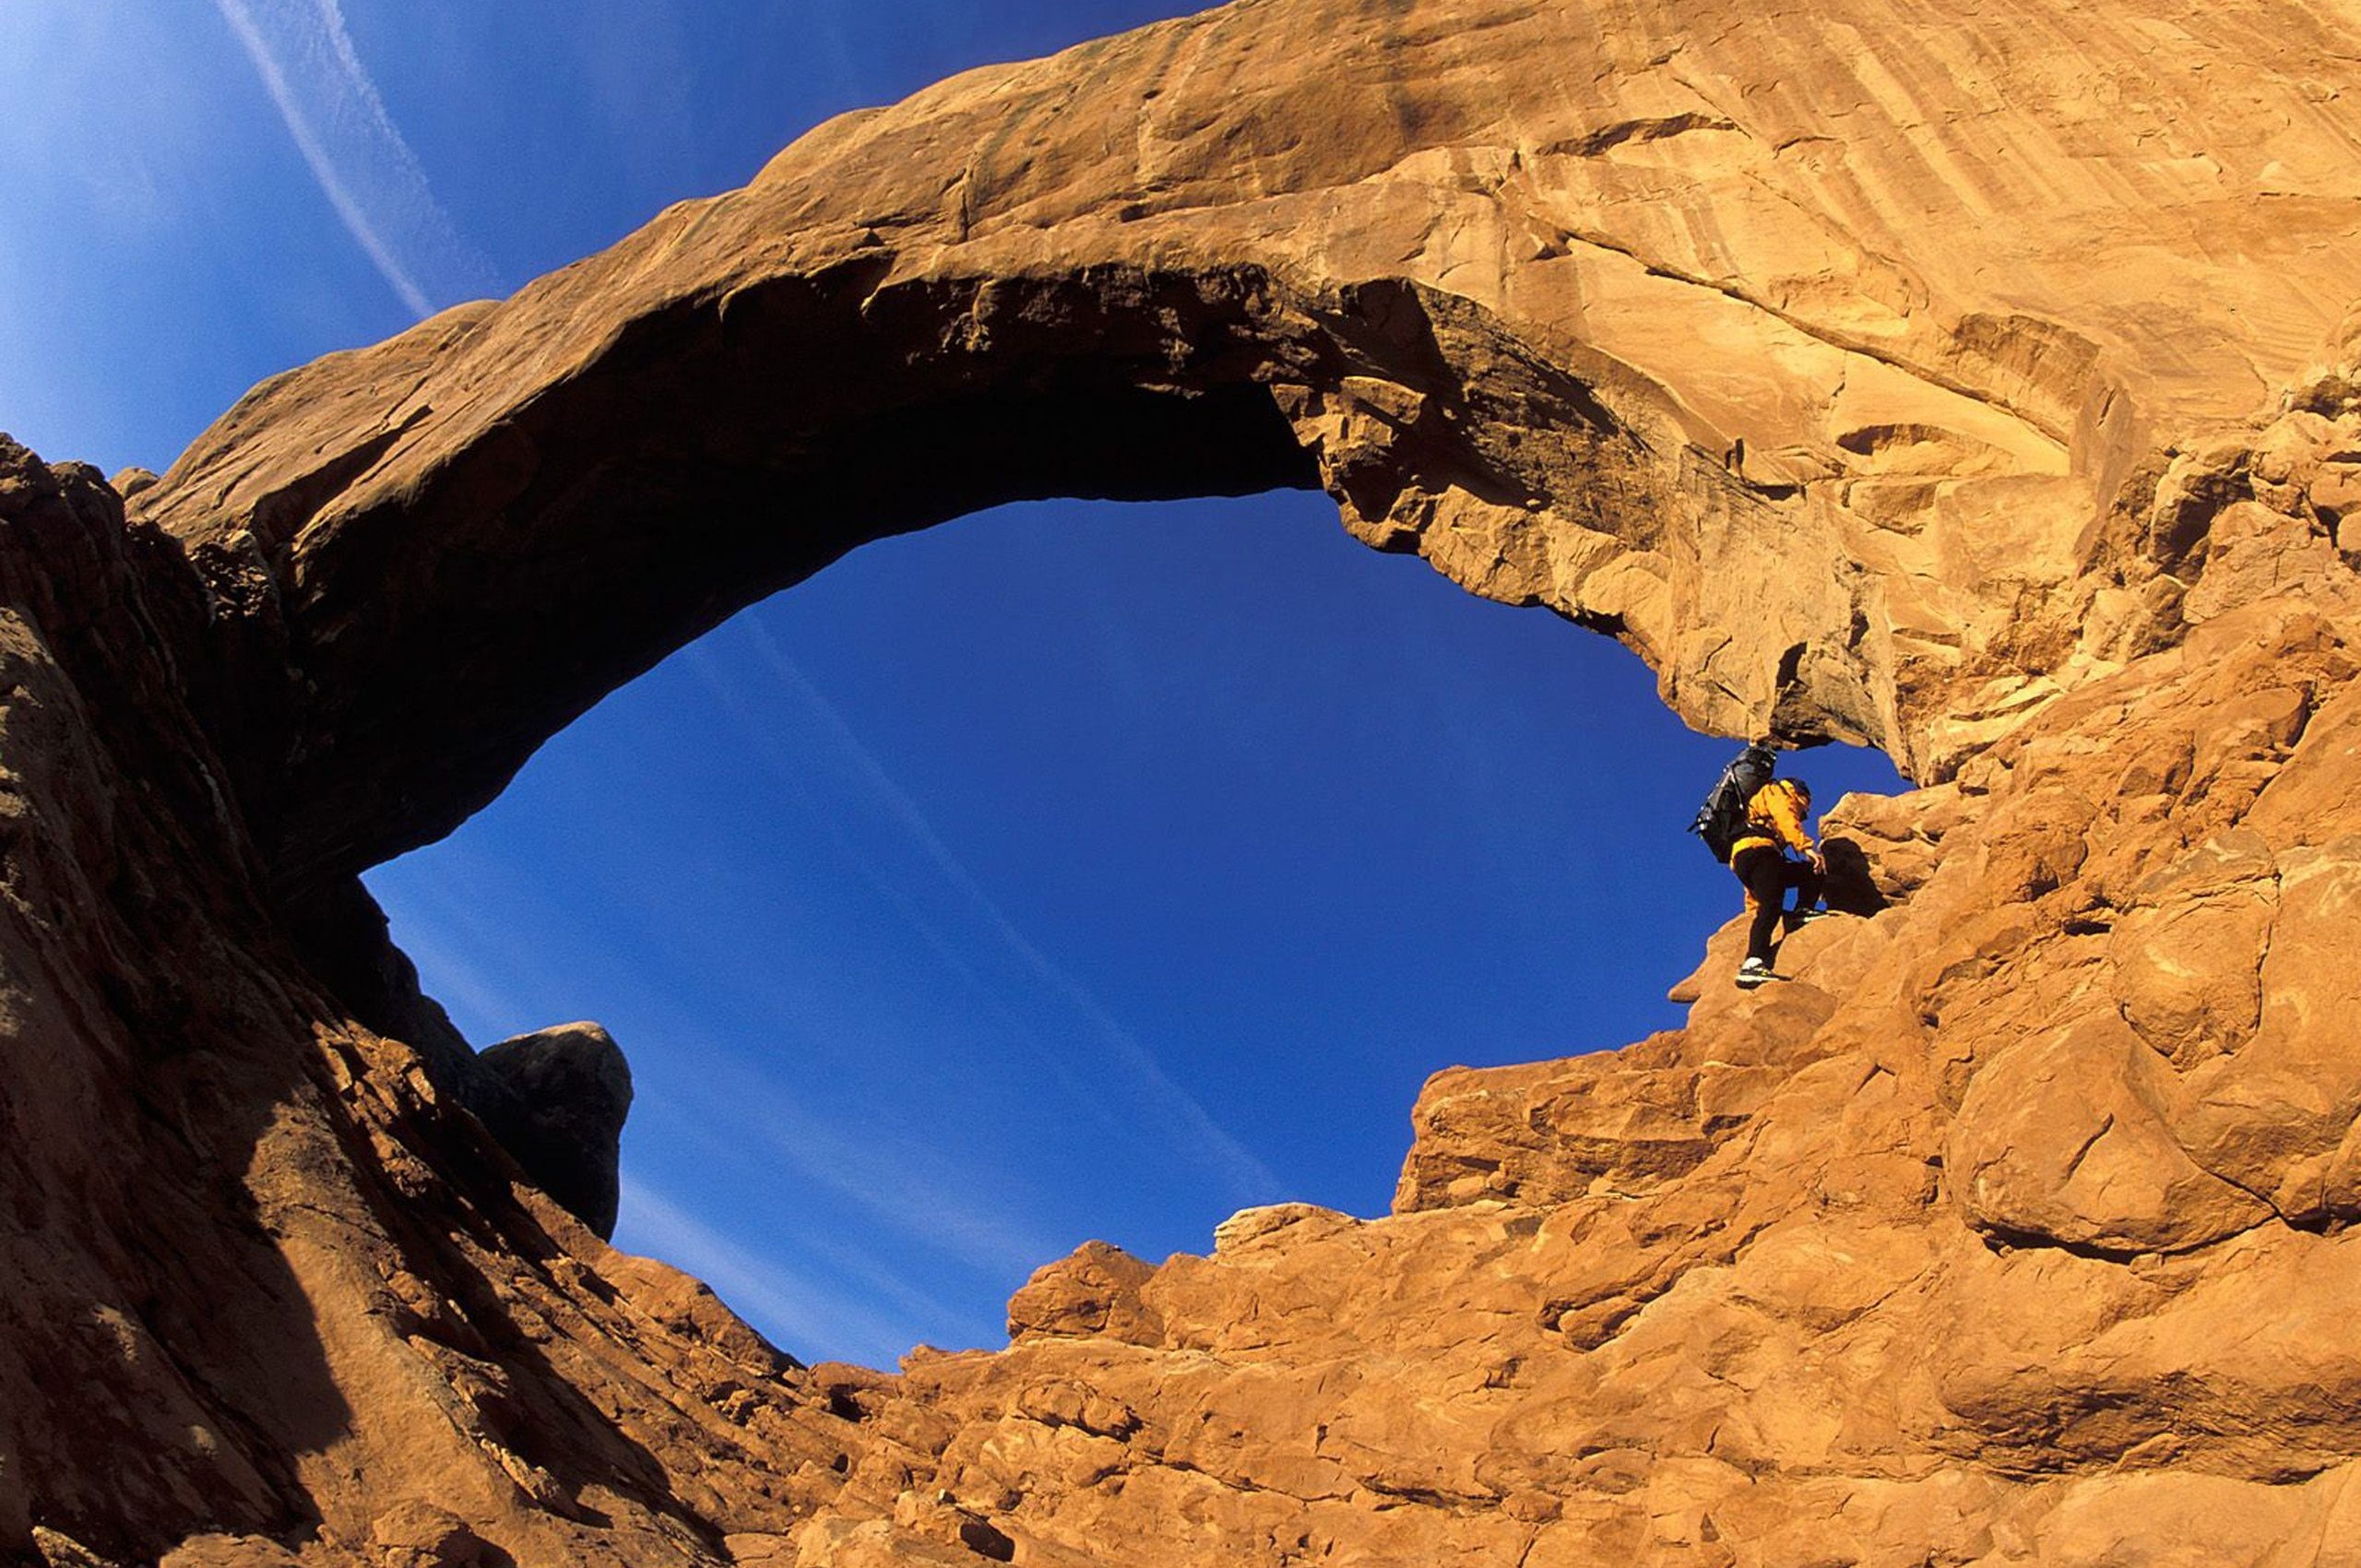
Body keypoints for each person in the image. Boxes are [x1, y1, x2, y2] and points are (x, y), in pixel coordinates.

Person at [1731, 777, 1827, 988]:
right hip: (1761, 852)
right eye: (1804, 809)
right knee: (1772, 906)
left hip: (1748, 857)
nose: (1802, 815)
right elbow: (1786, 818)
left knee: (1808, 872)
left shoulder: (1761, 804)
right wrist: (1806, 848)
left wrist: (1751, 906)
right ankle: (1752, 964)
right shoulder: (1778, 793)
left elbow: (1756, 884)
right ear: (1800, 796)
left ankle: (1802, 912)